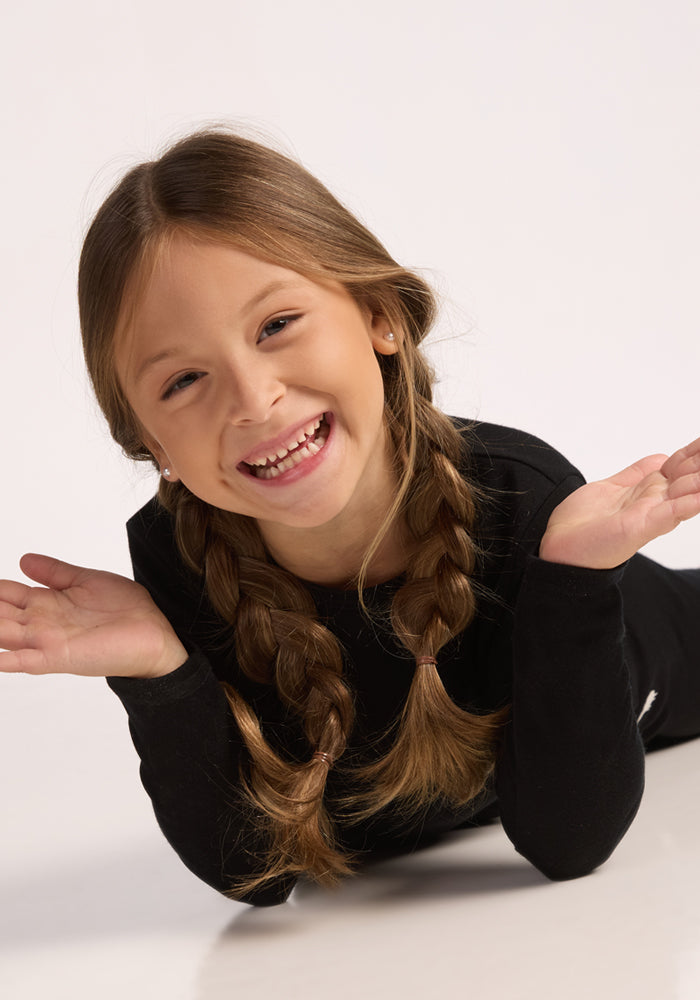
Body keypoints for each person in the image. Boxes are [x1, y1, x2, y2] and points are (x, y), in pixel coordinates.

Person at [1, 130, 700, 908]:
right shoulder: (177, 565)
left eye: (275, 326)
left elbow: (569, 842)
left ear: (380, 316)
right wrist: (162, 677)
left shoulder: (523, 501)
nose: (253, 398)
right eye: (186, 379)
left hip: (632, 632)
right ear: (150, 444)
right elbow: (257, 876)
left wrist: (574, 582)